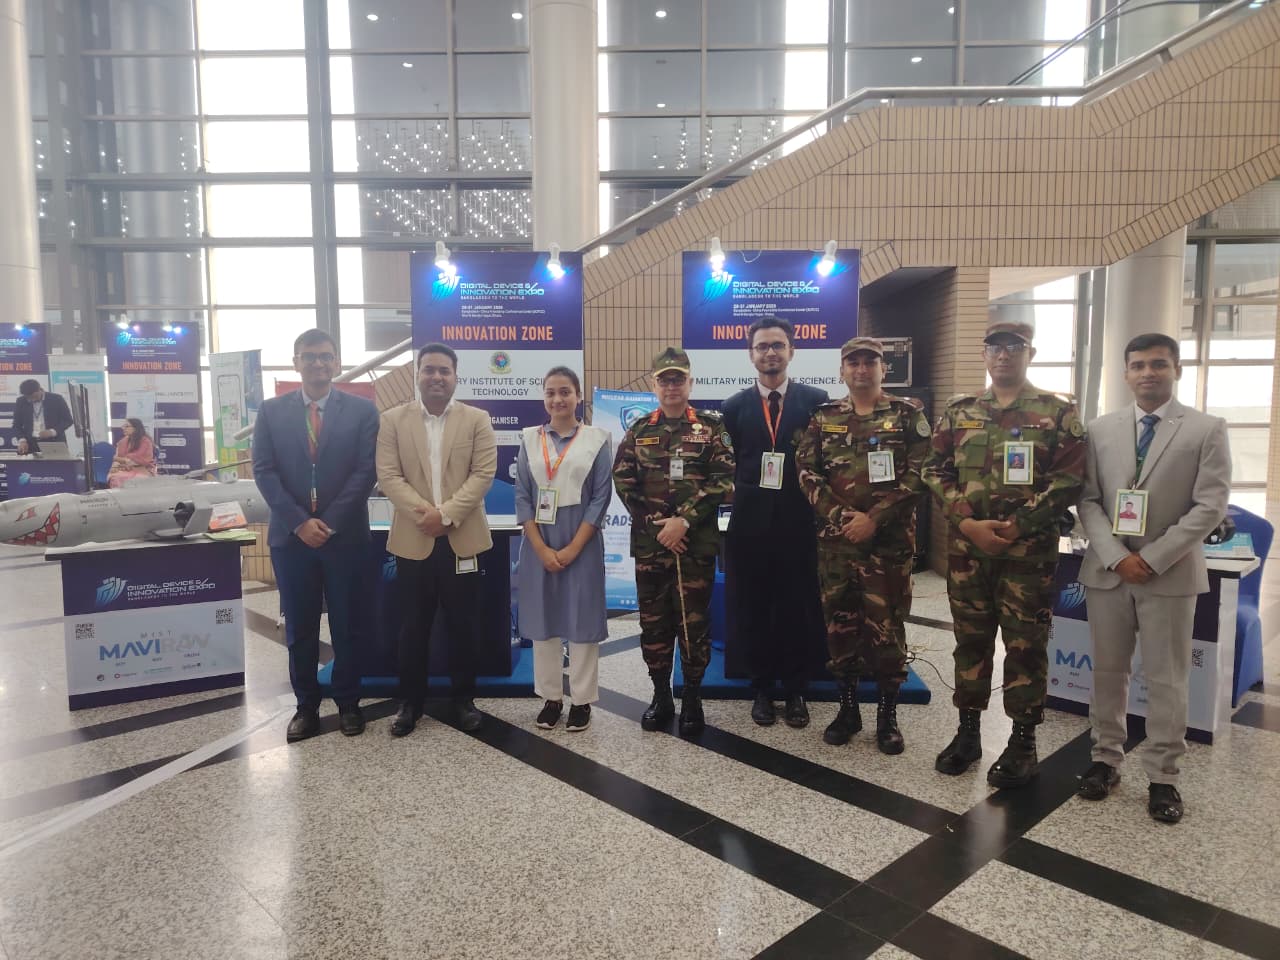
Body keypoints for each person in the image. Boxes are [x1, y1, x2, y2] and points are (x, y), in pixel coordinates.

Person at [923, 318, 1086, 787]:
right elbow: (934, 470)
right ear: (984, 354)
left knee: (1025, 646)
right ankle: (967, 732)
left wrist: (1017, 526)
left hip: (1027, 555)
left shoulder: (1058, 412)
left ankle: (1022, 741)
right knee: (970, 641)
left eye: (1014, 347)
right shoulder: (961, 411)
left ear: (1030, 354)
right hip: (967, 552)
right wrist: (966, 522)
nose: (1003, 355)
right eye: (995, 347)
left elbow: (1069, 480)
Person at [1075, 333, 1230, 824]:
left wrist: (1154, 557)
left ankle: (1163, 775)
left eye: (1158, 364)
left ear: (1176, 369)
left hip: (1170, 573)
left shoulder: (1205, 428)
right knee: (1107, 672)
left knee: (1167, 679)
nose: (1148, 373)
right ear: (1126, 373)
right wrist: (1117, 556)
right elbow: (1088, 500)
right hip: (1109, 571)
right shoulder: (1100, 429)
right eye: (1138, 365)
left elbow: (1210, 505)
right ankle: (1105, 759)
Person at [795, 337, 931, 752]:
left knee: (888, 631)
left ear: (882, 369)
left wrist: (874, 518)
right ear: (841, 371)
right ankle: (848, 709)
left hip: (888, 547)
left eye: (869, 362)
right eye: (852, 362)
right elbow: (806, 472)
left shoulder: (907, 415)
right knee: (841, 629)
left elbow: (922, 473)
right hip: (837, 547)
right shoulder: (825, 417)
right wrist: (842, 517)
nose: (861, 369)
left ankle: (887, 717)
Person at [252, 329, 380, 743]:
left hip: (345, 538)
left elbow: (366, 470)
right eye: (309, 356)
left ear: (337, 362)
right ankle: (305, 706)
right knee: (300, 628)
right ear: (296, 363)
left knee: (348, 625)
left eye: (325, 356)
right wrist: (299, 523)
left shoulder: (362, 411)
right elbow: (263, 471)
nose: (318, 363)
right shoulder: (271, 412)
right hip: (292, 540)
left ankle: (348, 703)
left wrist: (329, 522)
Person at [377, 342, 497, 737]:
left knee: (464, 626)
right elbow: (389, 476)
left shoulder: (477, 419)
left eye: (444, 370)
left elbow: (482, 474)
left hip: (463, 539)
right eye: (429, 369)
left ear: (455, 376)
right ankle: (410, 704)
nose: (436, 377)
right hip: (413, 540)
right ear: (417, 374)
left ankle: (464, 701)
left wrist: (445, 516)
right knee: (412, 628)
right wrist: (425, 516)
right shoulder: (392, 420)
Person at [612, 347, 734, 736]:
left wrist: (684, 521)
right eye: (664, 380)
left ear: (689, 382)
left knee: (693, 624)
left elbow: (724, 479)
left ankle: (693, 697)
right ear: (655, 385)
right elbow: (623, 480)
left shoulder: (711, 427)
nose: (671, 386)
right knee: (655, 624)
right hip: (651, 547)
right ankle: (661, 696)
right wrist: (658, 527)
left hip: (694, 547)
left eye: (678, 379)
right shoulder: (639, 430)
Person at [720, 316, 828, 728]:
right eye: (762, 346)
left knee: (798, 606)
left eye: (777, 345)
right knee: (754, 607)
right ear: (751, 355)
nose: (770, 353)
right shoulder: (733, 407)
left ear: (791, 351)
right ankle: (762, 687)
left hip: (800, 523)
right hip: (749, 526)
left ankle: (796, 688)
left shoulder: (816, 402)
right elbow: (728, 464)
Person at [516, 366, 613, 733]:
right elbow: (522, 496)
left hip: (581, 541)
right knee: (544, 620)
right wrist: (541, 549)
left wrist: (573, 548)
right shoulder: (529, 439)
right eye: (550, 393)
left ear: (578, 396)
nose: (557, 399)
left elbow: (601, 497)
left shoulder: (596, 440)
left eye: (565, 392)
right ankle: (551, 698)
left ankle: (582, 700)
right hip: (539, 541)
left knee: (582, 619)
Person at [13, 379, 73, 455]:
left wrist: (52, 432)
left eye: (34, 396)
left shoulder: (57, 399)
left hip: (54, 443)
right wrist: (22, 440)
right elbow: (16, 425)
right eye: (28, 398)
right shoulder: (21, 401)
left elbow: (68, 420)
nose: (32, 400)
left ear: (39, 390)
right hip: (30, 444)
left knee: (57, 463)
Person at [106, 418, 158, 486]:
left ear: (136, 428)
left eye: (127, 426)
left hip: (143, 470)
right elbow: (117, 459)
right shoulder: (122, 442)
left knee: (131, 480)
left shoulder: (146, 442)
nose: (123, 428)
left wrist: (121, 459)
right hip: (125, 469)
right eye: (123, 426)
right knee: (115, 478)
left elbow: (135, 461)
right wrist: (114, 467)